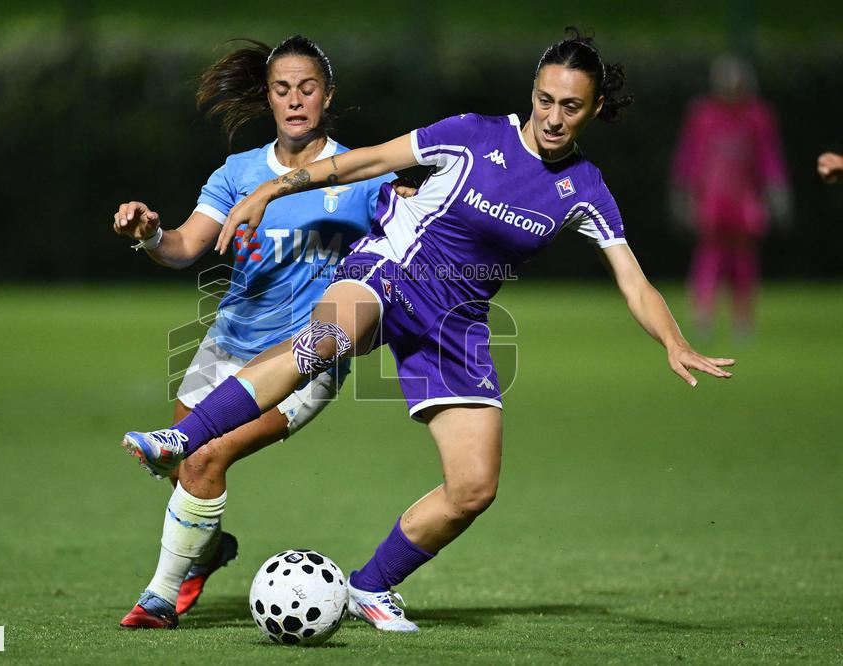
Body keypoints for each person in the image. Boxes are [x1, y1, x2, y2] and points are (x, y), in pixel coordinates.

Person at [123, 28, 735, 633]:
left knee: (473, 488)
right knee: (321, 343)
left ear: (594, 109)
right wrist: (274, 187)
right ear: (532, 92)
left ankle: (370, 585)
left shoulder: (585, 189)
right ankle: (180, 440)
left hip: (455, 322)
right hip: (391, 270)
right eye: (545, 100)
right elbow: (367, 161)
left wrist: (674, 340)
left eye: (571, 107)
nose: (553, 118)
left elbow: (634, 282)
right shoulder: (473, 134)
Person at [112, 35, 397, 629]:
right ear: (267, 97)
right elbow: (184, 247)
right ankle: (208, 547)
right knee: (181, 467)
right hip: (227, 342)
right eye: (282, 89)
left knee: (204, 453)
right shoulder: (238, 172)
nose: (295, 100)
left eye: (307, 88)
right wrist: (151, 235)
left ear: (327, 95)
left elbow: (405, 247)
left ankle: (159, 598)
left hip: (304, 359)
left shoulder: (362, 177)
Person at [669, 55, 790, 338]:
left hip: (744, 199)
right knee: (709, 256)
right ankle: (703, 315)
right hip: (712, 198)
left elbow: (768, 158)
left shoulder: (757, 116)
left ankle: (742, 317)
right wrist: (683, 192)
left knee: (742, 259)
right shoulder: (703, 115)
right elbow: (690, 156)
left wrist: (776, 191)